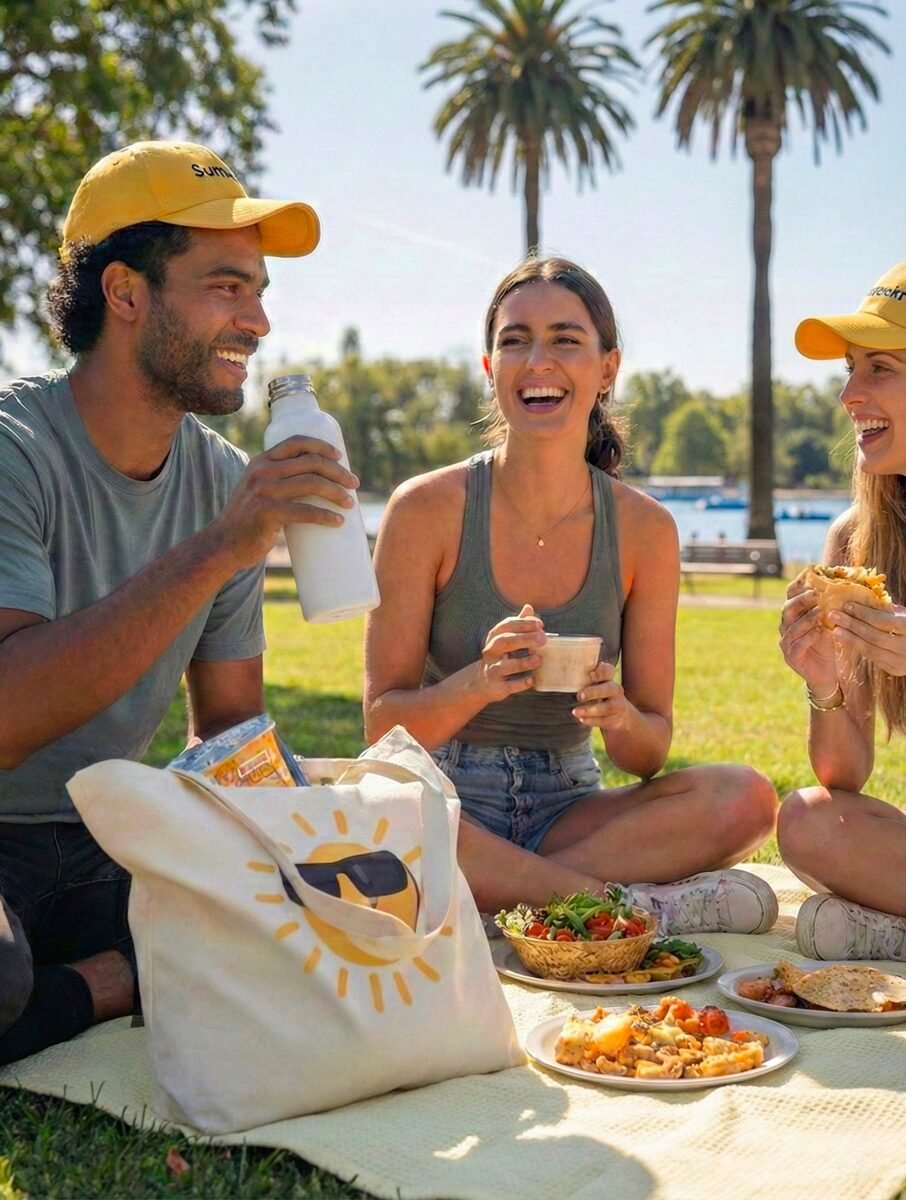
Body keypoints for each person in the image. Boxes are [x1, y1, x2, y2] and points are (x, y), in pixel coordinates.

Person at [0, 140, 361, 1063]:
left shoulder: (222, 480)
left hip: (103, 840)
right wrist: (222, 549)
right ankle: (115, 978)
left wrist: (321, 838)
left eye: (261, 292)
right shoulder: (15, 448)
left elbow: (230, 733)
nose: (259, 321)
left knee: (306, 910)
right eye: (227, 287)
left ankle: (87, 979)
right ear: (125, 293)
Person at [364, 256, 779, 934]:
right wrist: (477, 683)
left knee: (748, 800)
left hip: (571, 809)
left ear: (607, 368)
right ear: (488, 367)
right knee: (381, 812)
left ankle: (504, 896)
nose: (537, 361)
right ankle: (623, 909)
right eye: (514, 339)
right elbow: (381, 727)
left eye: (565, 339)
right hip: (444, 797)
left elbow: (647, 752)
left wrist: (617, 716)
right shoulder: (425, 510)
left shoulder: (645, 530)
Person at [778, 260, 906, 961]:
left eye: (879, 367)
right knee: (807, 821)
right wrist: (823, 683)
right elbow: (844, 779)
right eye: (852, 369)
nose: (848, 394)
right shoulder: (855, 541)